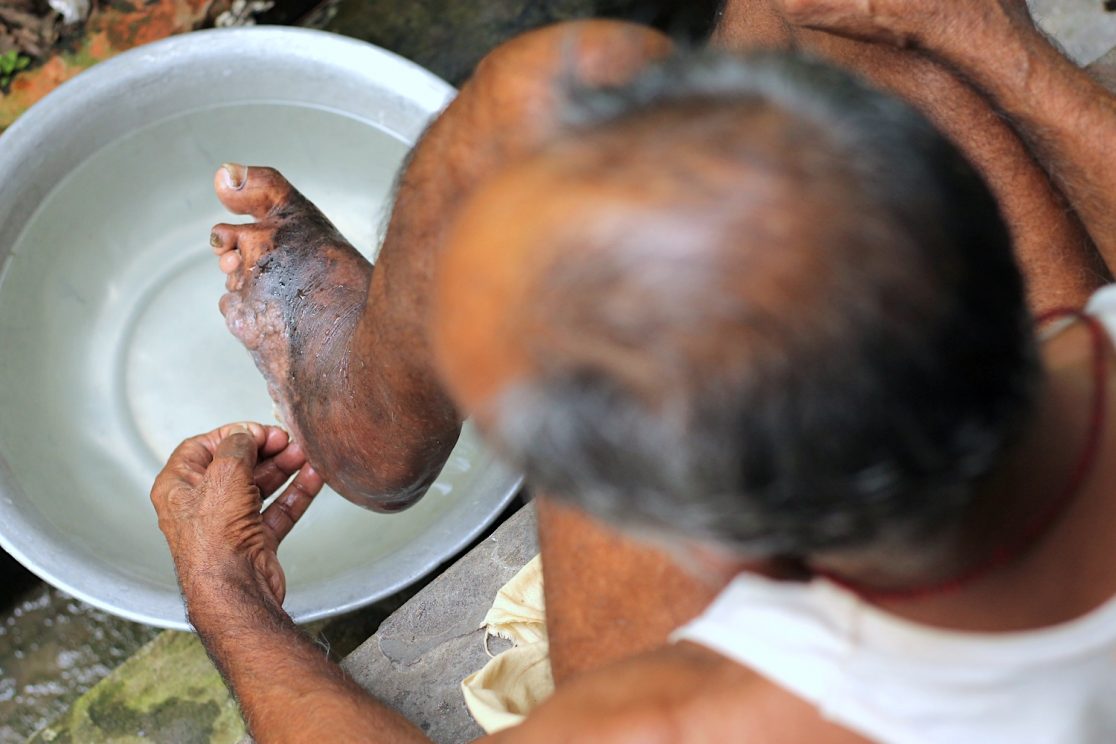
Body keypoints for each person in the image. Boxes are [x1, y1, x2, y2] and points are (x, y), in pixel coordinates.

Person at [150, 1, 1116, 741]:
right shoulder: (1089, 350)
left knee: (566, 171)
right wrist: (999, 50)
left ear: (706, 551)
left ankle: (373, 427)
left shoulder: (707, 718)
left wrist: (226, 600)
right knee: (585, 81)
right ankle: (368, 422)